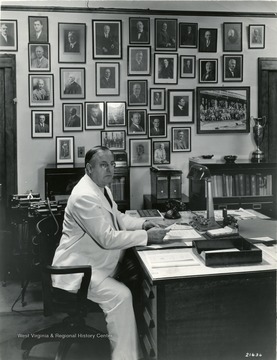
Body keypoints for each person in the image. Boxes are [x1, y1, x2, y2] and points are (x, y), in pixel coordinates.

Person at [52, 146, 167, 360]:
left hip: (95, 263)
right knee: (121, 296)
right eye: (104, 165)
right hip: (79, 269)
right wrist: (146, 237)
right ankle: (125, 356)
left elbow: (118, 219)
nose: (110, 170)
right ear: (89, 168)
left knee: (139, 277)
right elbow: (107, 238)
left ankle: (137, 345)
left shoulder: (101, 188)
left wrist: (143, 224)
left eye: (112, 164)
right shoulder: (83, 196)